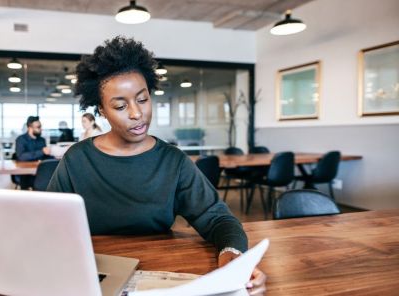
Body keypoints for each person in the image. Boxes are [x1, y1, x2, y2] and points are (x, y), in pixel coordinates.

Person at [47, 36, 266, 295]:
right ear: (102, 110)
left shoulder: (172, 160)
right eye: (120, 105)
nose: (136, 113)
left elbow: (217, 218)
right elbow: (47, 224)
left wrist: (234, 258)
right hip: (92, 274)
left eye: (142, 99)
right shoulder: (77, 159)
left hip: (158, 272)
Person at [15, 116, 51, 189]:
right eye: (38, 127)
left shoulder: (42, 140)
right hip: (25, 173)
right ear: (30, 128)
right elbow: (21, 156)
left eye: (41, 126)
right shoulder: (21, 139)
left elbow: (44, 156)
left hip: (40, 171)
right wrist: (42, 152)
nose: (41, 129)